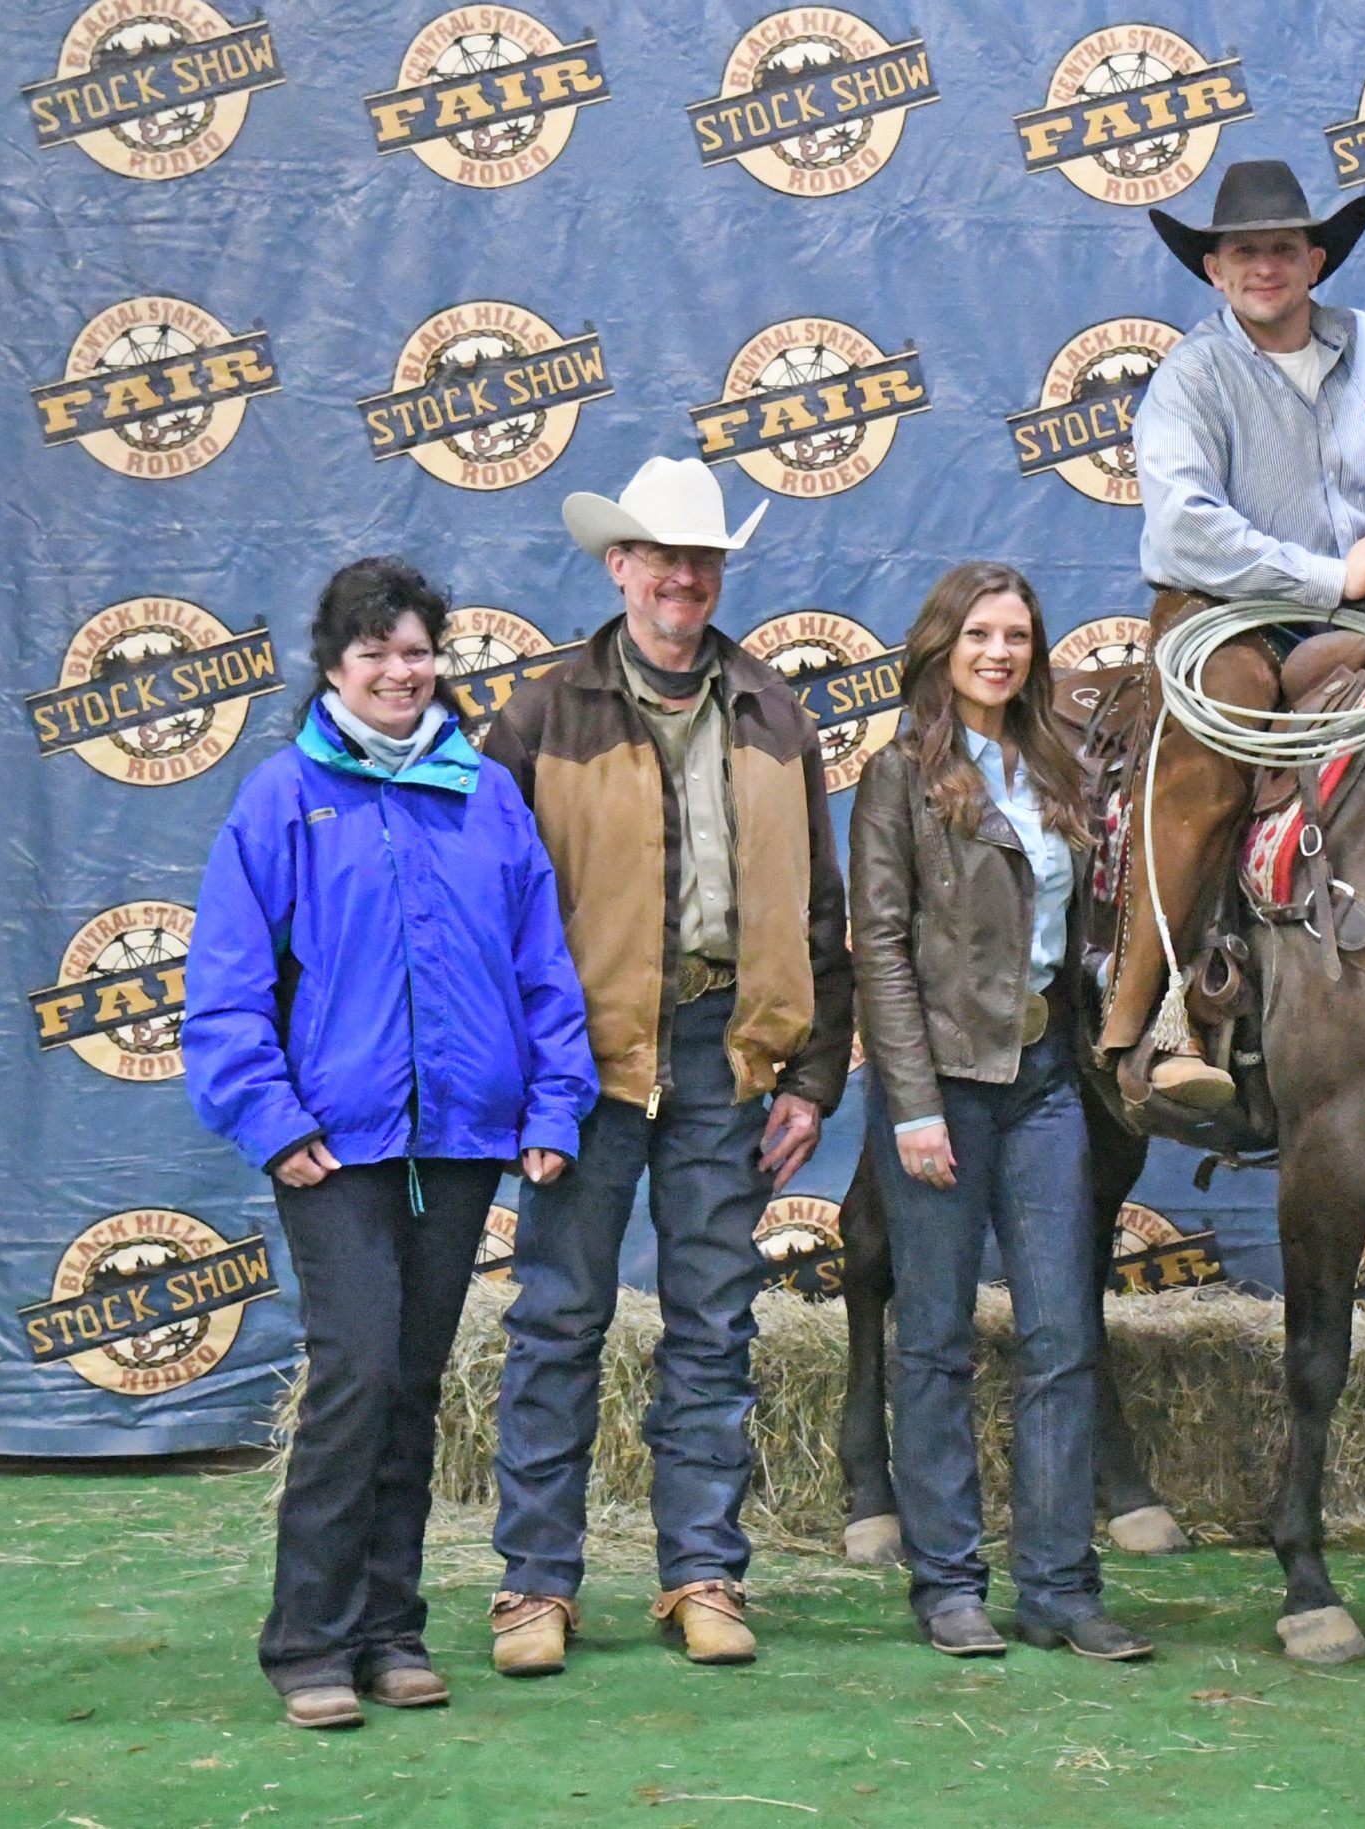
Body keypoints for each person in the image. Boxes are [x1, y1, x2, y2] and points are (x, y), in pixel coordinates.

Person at [185, 557, 596, 1730]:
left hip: (462, 1143)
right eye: (375, 653)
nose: (398, 672)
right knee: (356, 1376)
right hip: (336, 1148)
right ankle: (306, 1640)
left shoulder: (486, 796)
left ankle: (390, 1629)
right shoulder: (281, 797)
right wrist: (276, 1121)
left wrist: (553, 1105)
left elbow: (541, 967)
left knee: (413, 1384)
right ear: (334, 665)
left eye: (417, 652)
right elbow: (223, 986)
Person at [480, 456, 854, 1673]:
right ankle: (534, 1583)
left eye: (704, 557)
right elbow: (488, 914)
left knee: (714, 1324)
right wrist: (527, 1078)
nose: (683, 576)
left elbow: (822, 917)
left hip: (724, 1049)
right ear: (619, 566)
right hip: (582, 1061)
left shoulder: (775, 714)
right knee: (557, 1317)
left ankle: (704, 1570)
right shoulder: (541, 714)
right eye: (662, 555)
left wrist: (807, 1078)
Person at [1106, 157, 1365, 1109]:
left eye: (1280, 249)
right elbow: (1187, 525)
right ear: (1215, 272)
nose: (1263, 266)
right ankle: (1153, 1016)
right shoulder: (1194, 375)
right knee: (1219, 737)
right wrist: (1329, 573)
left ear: (1313, 261)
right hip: (1223, 617)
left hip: (1359, 616)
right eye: (1242, 253)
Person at [850, 562, 1153, 1661]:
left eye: (1017, 634)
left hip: (1041, 1082)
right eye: (979, 632)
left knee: (1063, 1334)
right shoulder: (899, 775)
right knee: (930, 1338)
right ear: (941, 645)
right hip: (940, 1085)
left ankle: (1063, 1587)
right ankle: (947, 1585)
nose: (998, 651)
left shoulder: (1057, 764)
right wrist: (912, 1107)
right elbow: (879, 946)